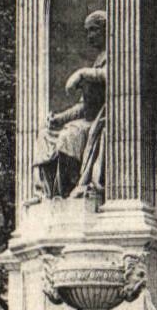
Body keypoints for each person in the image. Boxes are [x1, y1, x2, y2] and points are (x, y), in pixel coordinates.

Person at [34, 10, 107, 198]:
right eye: (87, 31)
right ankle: (48, 193)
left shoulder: (116, 56)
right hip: (89, 119)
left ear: (106, 30)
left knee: (70, 135)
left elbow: (110, 76)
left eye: (94, 30)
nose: (89, 36)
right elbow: (82, 106)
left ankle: (68, 189)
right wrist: (59, 118)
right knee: (45, 135)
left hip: (103, 121)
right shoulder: (97, 61)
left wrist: (82, 73)